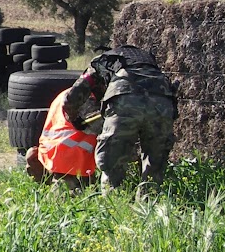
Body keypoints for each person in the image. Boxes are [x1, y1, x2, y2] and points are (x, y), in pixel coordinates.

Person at [61, 45, 178, 191]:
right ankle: (149, 207)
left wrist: (74, 119)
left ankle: (113, 205)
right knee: (154, 167)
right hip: (163, 103)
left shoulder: (103, 62)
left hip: (124, 100)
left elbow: (70, 99)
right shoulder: (149, 62)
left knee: (111, 164)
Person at [25, 87, 101, 190]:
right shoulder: (90, 98)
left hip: (55, 153)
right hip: (71, 157)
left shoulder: (71, 93)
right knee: (69, 196)